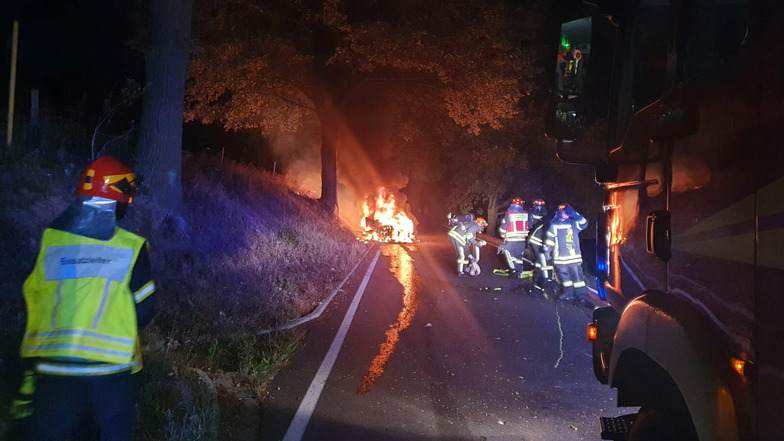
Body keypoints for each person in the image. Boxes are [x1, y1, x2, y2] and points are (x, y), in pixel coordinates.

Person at [18, 156, 156, 441]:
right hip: (110, 375)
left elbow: (32, 298)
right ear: (116, 201)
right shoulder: (130, 247)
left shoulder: (50, 242)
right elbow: (145, 310)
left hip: (53, 370)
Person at [544, 203, 590, 306]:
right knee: (565, 278)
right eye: (564, 212)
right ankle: (569, 294)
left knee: (578, 278)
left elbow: (584, 223)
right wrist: (547, 251)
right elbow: (550, 240)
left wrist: (574, 214)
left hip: (573, 257)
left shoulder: (573, 223)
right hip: (559, 259)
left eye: (567, 212)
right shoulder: (554, 225)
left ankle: (581, 296)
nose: (565, 214)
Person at [497, 197, 529, 278]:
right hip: (522, 239)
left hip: (512, 238)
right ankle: (519, 270)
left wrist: (502, 233)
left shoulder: (510, 213)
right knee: (519, 255)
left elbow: (504, 225)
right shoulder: (525, 213)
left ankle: (514, 270)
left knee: (508, 252)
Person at [526, 199, 553, 292]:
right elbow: (545, 235)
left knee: (538, 260)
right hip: (537, 240)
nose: (539, 208)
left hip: (533, 238)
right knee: (543, 261)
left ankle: (537, 277)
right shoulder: (548, 221)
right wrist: (545, 246)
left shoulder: (545, 217)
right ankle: (546, 280)